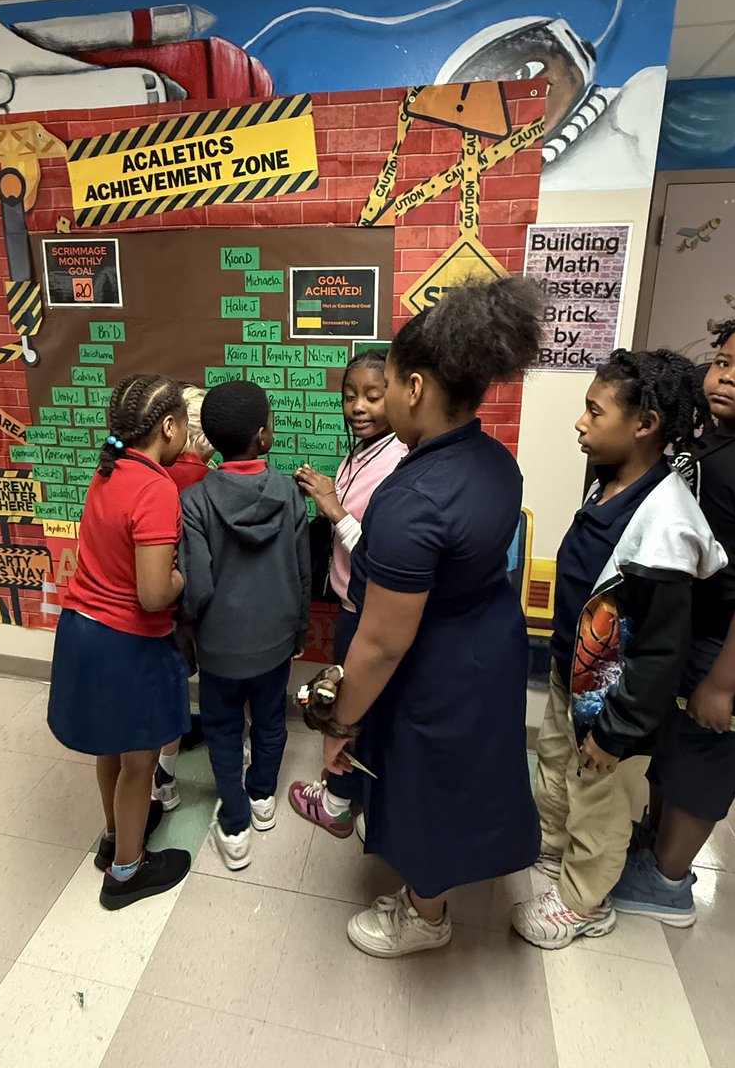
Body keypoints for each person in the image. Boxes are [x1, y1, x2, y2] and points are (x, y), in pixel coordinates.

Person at [314, 276, 542, 958]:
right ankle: (441, 887)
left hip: (436, 663)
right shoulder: (495, 459)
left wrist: (339, 723)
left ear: (413, 387)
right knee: (465, 772)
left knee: (425, 782)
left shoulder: (412, 498)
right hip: (490, 643)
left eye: (385, 385)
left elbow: (382, 640)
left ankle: (425, 916)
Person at [511, 350, 725, 950]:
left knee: (600, 797)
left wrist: (617, 730)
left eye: (593, 410)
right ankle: (555, 857)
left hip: (614, 704)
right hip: (570, 674)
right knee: (555, 767)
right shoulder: (608, 481)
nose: (580, 423)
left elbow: (660, 649)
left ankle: (584, 900)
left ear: (645, 424)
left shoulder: (665, 522)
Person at [613, 312, 735, 924]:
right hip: (688, 636)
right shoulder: (713, 441)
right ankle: (655, 848)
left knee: (703, 767)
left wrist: (724, 683)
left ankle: (670, 883)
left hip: (730, 649)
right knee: (673, 757)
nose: (727, 378)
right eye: (725, 361)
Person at [47, 374, 193, 911]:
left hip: (81, 629)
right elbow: (154, 594)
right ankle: (128, 873)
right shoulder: (157, 488)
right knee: (140, 762)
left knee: (108, 746)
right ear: (170, 426)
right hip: (127, 643)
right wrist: (183, 577)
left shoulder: (109, 470)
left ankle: (114, 838)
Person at [177, 381, 310, 870]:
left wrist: (191, 636)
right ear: (262, 436)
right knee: (271, 722)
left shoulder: (195, 501)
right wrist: (298, 631)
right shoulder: (289, 494)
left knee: (224, 729)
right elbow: (301, 572)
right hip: (275, 642)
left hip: (219, 648)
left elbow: (196, 586)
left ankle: (234, 825)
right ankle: (262, 799)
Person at [288, 350, 406, 838]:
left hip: (370, 608)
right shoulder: (363, 451)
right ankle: (352, 793)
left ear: (398, 396)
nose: (359, 407)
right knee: (356, 702)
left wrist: (334, 509)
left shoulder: (398, 461)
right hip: (350, 600)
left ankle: (336, 803)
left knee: (348, 705)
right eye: (350, 395)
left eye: (374, 397)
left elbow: (380, 553)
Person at [153, 384, 216, 809]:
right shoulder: (207, 482)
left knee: (168, 684)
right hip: (198, 603)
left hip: (159, 605)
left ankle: (164, 770)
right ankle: (166, 776)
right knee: (195, 684)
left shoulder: (152, 477)